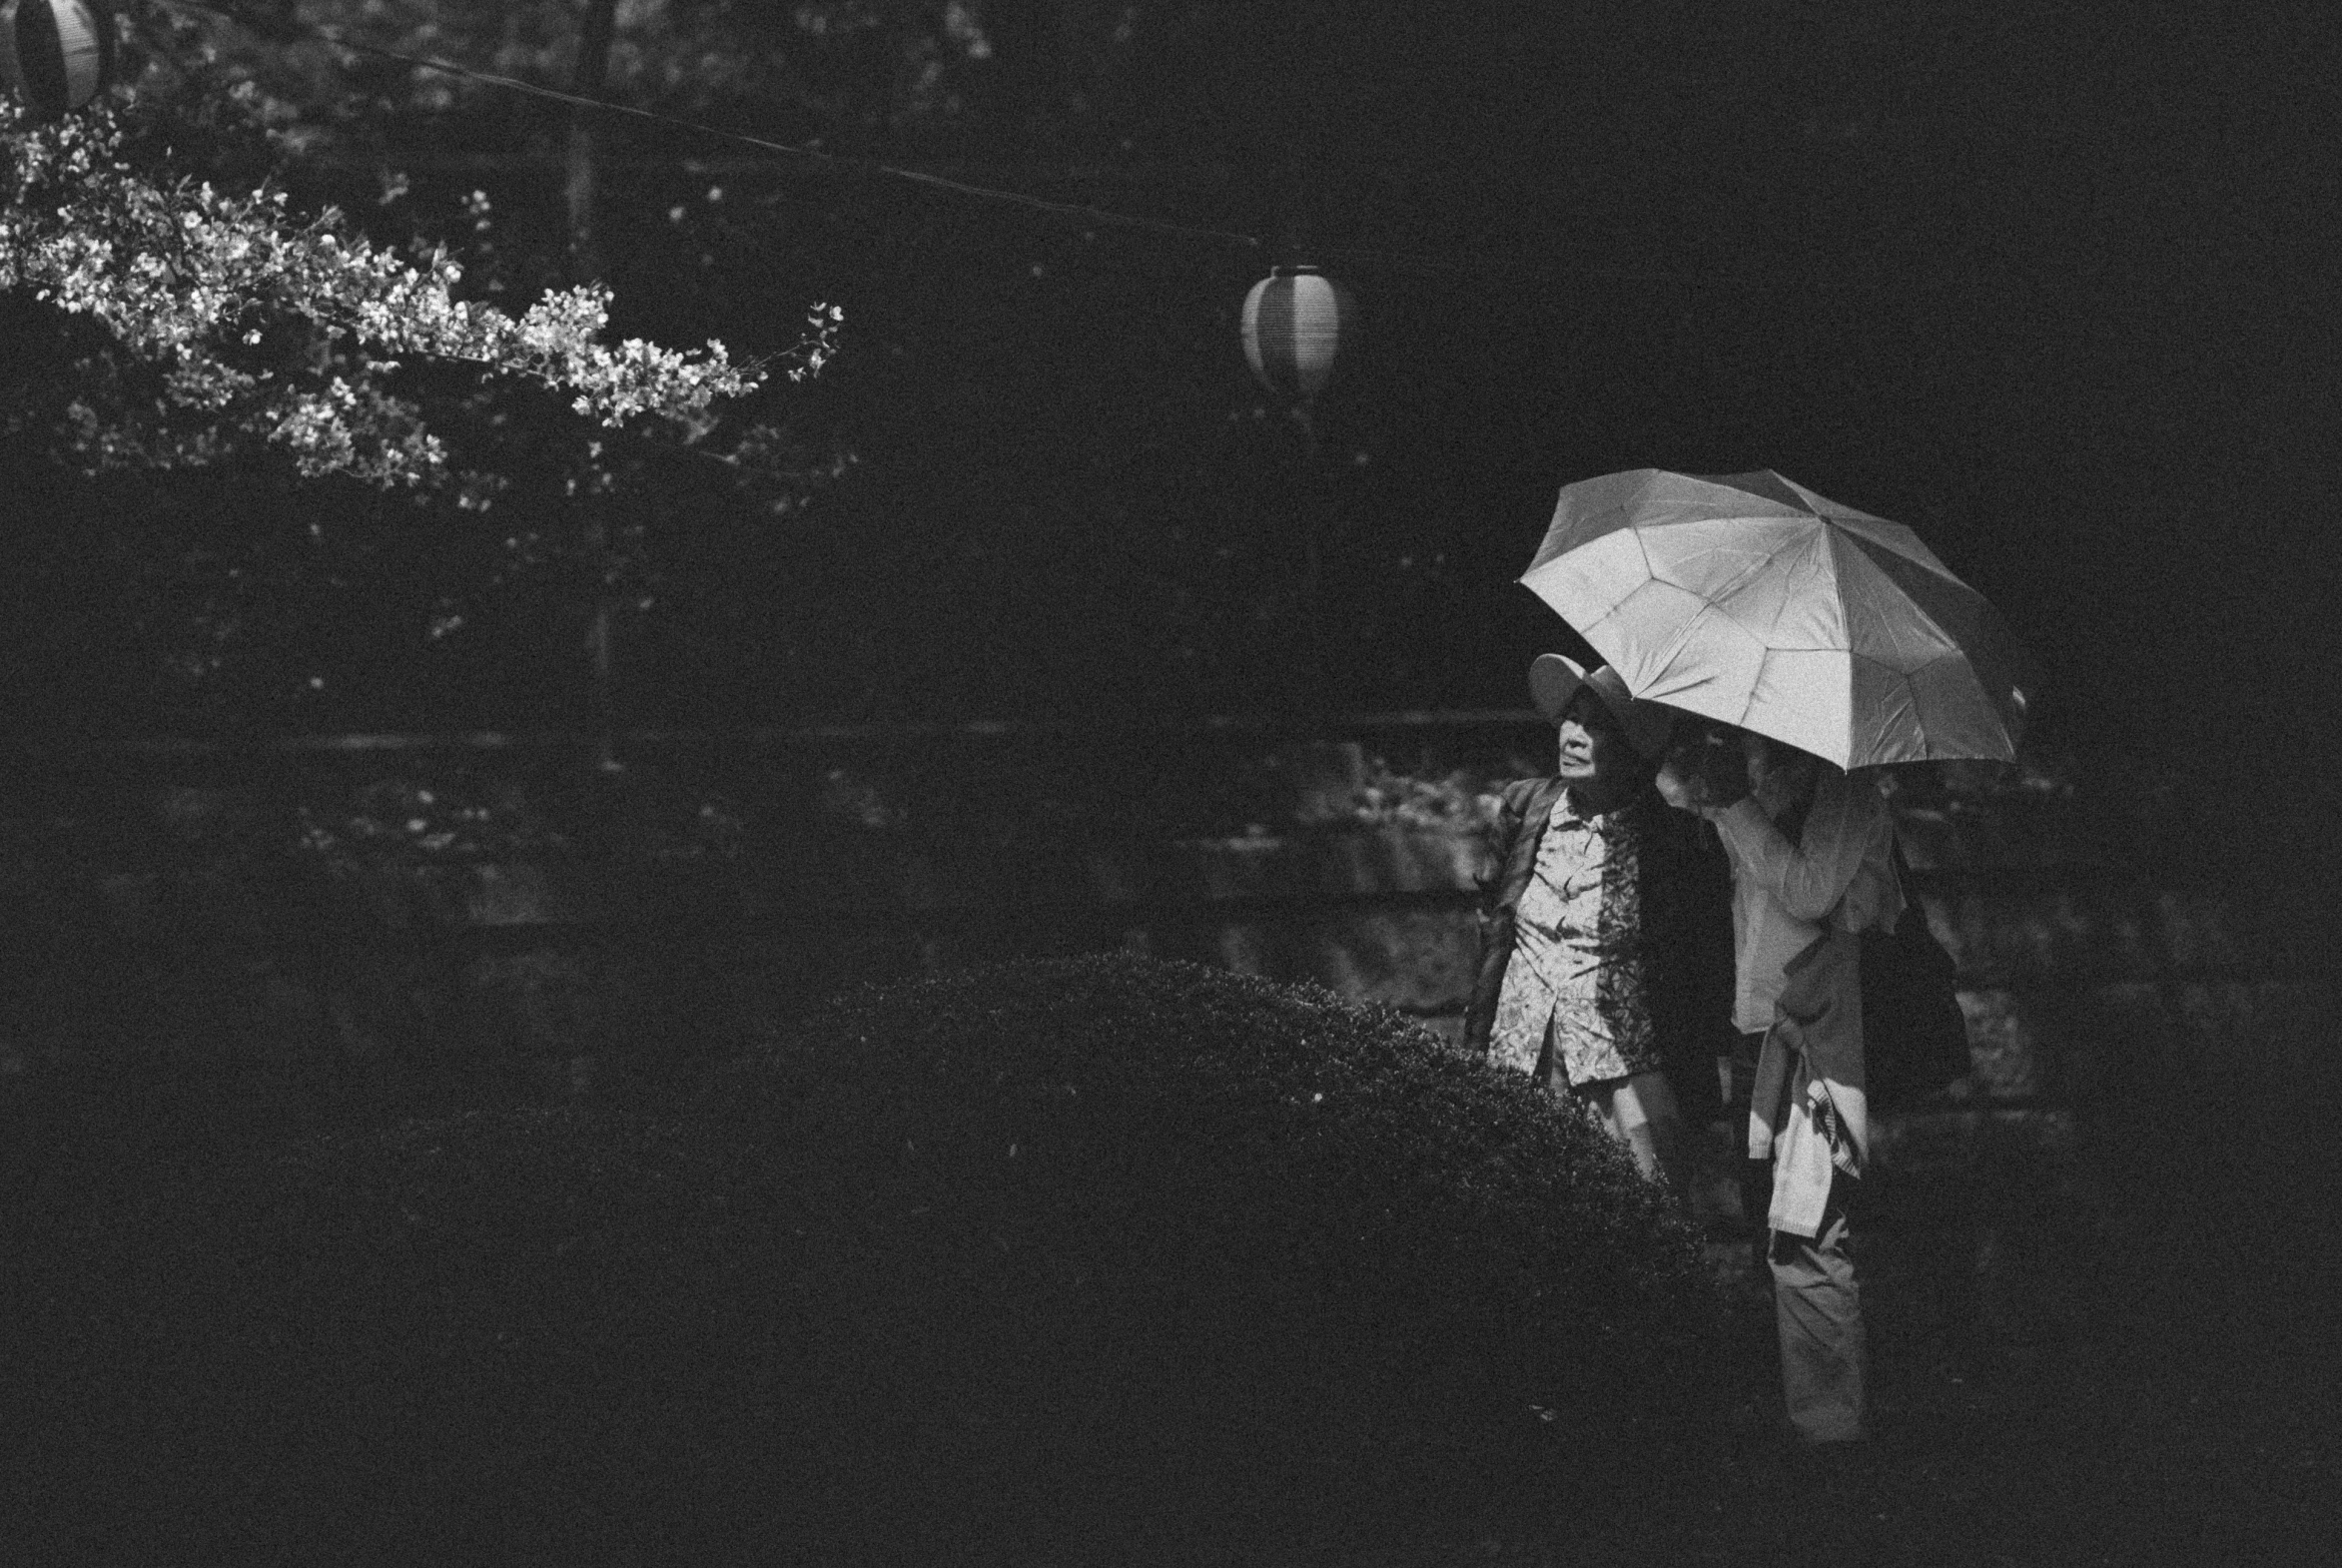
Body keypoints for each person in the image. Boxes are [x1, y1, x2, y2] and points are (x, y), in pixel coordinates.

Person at [1656, 722, 1904, 1449]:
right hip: (1755, 1030)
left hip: (1818, 1036)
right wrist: (1709, 779)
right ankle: (1804, 1414)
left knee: (1807, 1228)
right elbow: (1669, 794)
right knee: (1770, 1217)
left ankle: (1831, 1434)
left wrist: (1732, 805)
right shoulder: (1755, 775)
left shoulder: (1843, 784)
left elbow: (1809, 890)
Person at [1462, 655, 1732, 1194]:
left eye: (1597, 724)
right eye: (1570, 718)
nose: (1574, 735)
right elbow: (1493, 911)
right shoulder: (1526, 806)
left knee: (1643, 1223)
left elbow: (1703, 966)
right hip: (1519, 1058)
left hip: (1626, 1069)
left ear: (1633, 747)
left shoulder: (1676, 842)